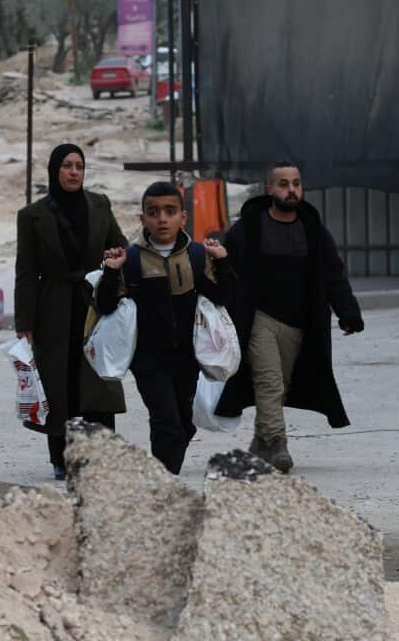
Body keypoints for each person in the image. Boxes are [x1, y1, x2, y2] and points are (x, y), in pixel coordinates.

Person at [215, 162, 365, 473]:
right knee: (269, 382)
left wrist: (348, 313)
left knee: (278, 386)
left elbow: (333, 274)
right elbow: (226, 274)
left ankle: (259, 444)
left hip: (300, 324)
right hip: (259, 320)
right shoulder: (248, 230)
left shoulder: (313, 230)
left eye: (296, 183)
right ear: (269, 189)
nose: (291, 190)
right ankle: (278, 443)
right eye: (283, 184)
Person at [94, 182, 235, 475]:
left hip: (186, 356)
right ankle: (164, 481)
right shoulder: (130, 259)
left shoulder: (197, 256)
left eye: (170, 211)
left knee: (183, 420)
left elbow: (224, 298)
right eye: (154, 212)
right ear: (143, 219)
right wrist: (110, 271)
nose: (162, 219)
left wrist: (222, 263)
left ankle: (165, 472)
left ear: (183, 217)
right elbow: (106, 306)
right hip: (147, 358)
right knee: (165, 419)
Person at [15, 143, 127, 480]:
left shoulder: (99, 205)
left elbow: (118, 244)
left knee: (97, 379)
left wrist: (117, 262)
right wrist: (25, 321)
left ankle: (101, 453)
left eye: (79, 165)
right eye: (67, 165)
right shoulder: (32, 215)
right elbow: (26, 272)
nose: (74, 171)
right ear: (54, 170)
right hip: (53, 307)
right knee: (58, 382)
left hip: (93, 306)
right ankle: (62, 458)